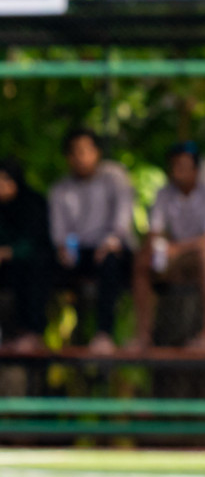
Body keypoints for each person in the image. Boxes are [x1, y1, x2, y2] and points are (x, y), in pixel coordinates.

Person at [130, 142, 205, 351]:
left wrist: (175, 248)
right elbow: (155, 231)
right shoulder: (164, 193)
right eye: (175, 166)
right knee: (142, 259)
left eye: (184, 166)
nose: (179, 171)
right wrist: (155, 248)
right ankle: (142, 335)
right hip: (178, 256)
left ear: (196, 170)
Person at [48, 129, 136, 353]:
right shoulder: (60, 189)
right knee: (39, 265)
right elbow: (59, 233)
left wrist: (111, 241)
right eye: (75, 153)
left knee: (110, 262)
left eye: (86, 151)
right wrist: (63, 250)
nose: (81, 157)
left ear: (97, 153)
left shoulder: (114, 177)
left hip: (112, 247)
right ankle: (33, 333)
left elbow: (122, 220)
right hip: (79, 252)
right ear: (68, 158)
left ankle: (104, 334)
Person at [0, 159, 52, 351]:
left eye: (5, 180)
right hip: (8, 268)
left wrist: (8, 252)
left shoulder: (32, 203)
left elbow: (37, 241)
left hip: (36, 265)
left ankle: (31, 331)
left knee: (31, 269)